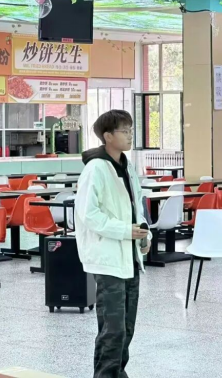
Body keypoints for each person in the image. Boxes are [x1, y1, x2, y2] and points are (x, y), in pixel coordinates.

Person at [75, 110, 152, 379]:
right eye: (124, 131)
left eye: (131, 130)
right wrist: (124, 231)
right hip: (107, 257)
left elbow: (136, 206)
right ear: (108, 136)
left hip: (129, 255)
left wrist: (144, 234)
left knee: (127, 327)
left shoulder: (127, 166)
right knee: (113, 328)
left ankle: (118, 373)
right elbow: (88, 214)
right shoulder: (96, 168)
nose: (130, 135)